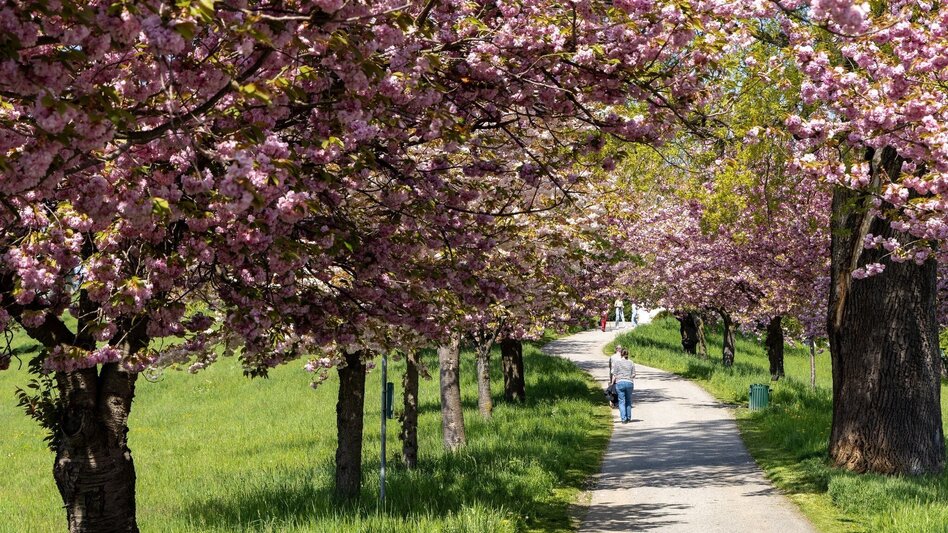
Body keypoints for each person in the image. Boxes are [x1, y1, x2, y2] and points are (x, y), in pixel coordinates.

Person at [609, 347, 636, 423]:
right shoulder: (631, 362)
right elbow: (634, 374)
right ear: (628, 354)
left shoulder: (617, 362)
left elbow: (614, 374)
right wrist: (629, 376)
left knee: (621, 401)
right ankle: (628, 417)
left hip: (620, 382)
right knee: (628, 400)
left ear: (621, 354)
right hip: (629, 383)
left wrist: (612, 383)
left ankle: (623, 419)